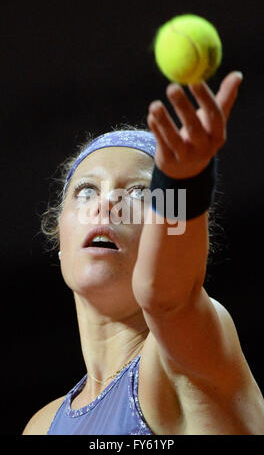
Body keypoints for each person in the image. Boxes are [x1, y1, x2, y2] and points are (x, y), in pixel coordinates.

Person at [23, 71, 264, 435]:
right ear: (59, 237)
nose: (106, 204)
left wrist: (183, 182)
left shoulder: (182, 360)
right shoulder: (41, 426)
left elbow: (168, 298)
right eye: (86, 191)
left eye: (140, 194)